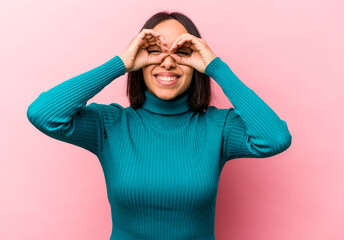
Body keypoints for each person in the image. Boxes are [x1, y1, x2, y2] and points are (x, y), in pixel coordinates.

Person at [27, 11, 292, 240]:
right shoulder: (111, 125)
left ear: (196, 63)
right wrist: (121, 63)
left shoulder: (218, 127)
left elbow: (275, 138)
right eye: (154, 51)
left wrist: (215, 66)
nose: (167, 62)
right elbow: (43, 113)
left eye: (181, 52)